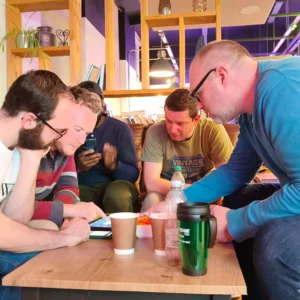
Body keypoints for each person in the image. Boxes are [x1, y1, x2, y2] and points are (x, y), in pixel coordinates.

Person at [149, 40, 300, 300]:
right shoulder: (250, 114)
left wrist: (234, 223)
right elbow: (237, 170)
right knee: (240, 197)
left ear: (221, 76)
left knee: (275, 244)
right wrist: (180, 202)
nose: (198, 106)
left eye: (198, 95)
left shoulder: (281, 90)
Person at [0, 70, 90, 300]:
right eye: (58, 131)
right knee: (43, 258)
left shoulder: (18, 148)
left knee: (48, 232)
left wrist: (32, 158)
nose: (59, 138)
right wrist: (65, 238)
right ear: (30, 120)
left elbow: (16, 218)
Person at [140, 89, 233, 212]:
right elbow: (151, 182)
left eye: (180, 123)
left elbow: (227, 175)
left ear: (196, 120)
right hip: (168, 193)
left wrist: (201, 193)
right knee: (152, 200)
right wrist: (197, 191)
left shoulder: (212, 130)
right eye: (169, 121)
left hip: (205, 195)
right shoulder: (155, 132)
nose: (172, 129)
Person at [31, 86, 106, 227]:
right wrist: (67, 211)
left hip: (30, 216)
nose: (82, 141)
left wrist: (63, 217)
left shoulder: (65, 147)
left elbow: (68, 187)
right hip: (10, 221)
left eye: (86, 133)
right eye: (78, 129)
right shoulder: (27, 147)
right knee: (50, 228)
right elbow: (14, 209)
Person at [76, 81, 139, 213]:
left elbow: (133, 175)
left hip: (117, 184)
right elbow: (60, 174)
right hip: (83, 184)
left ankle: (122, 233)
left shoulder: (120, 129)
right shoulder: (71, 129)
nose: (91, 107)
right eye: (85, 103)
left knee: (117, 194)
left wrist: (113, 165)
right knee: (79, 195)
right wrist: (78, 167)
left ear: (103, 103)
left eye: (94, 101)